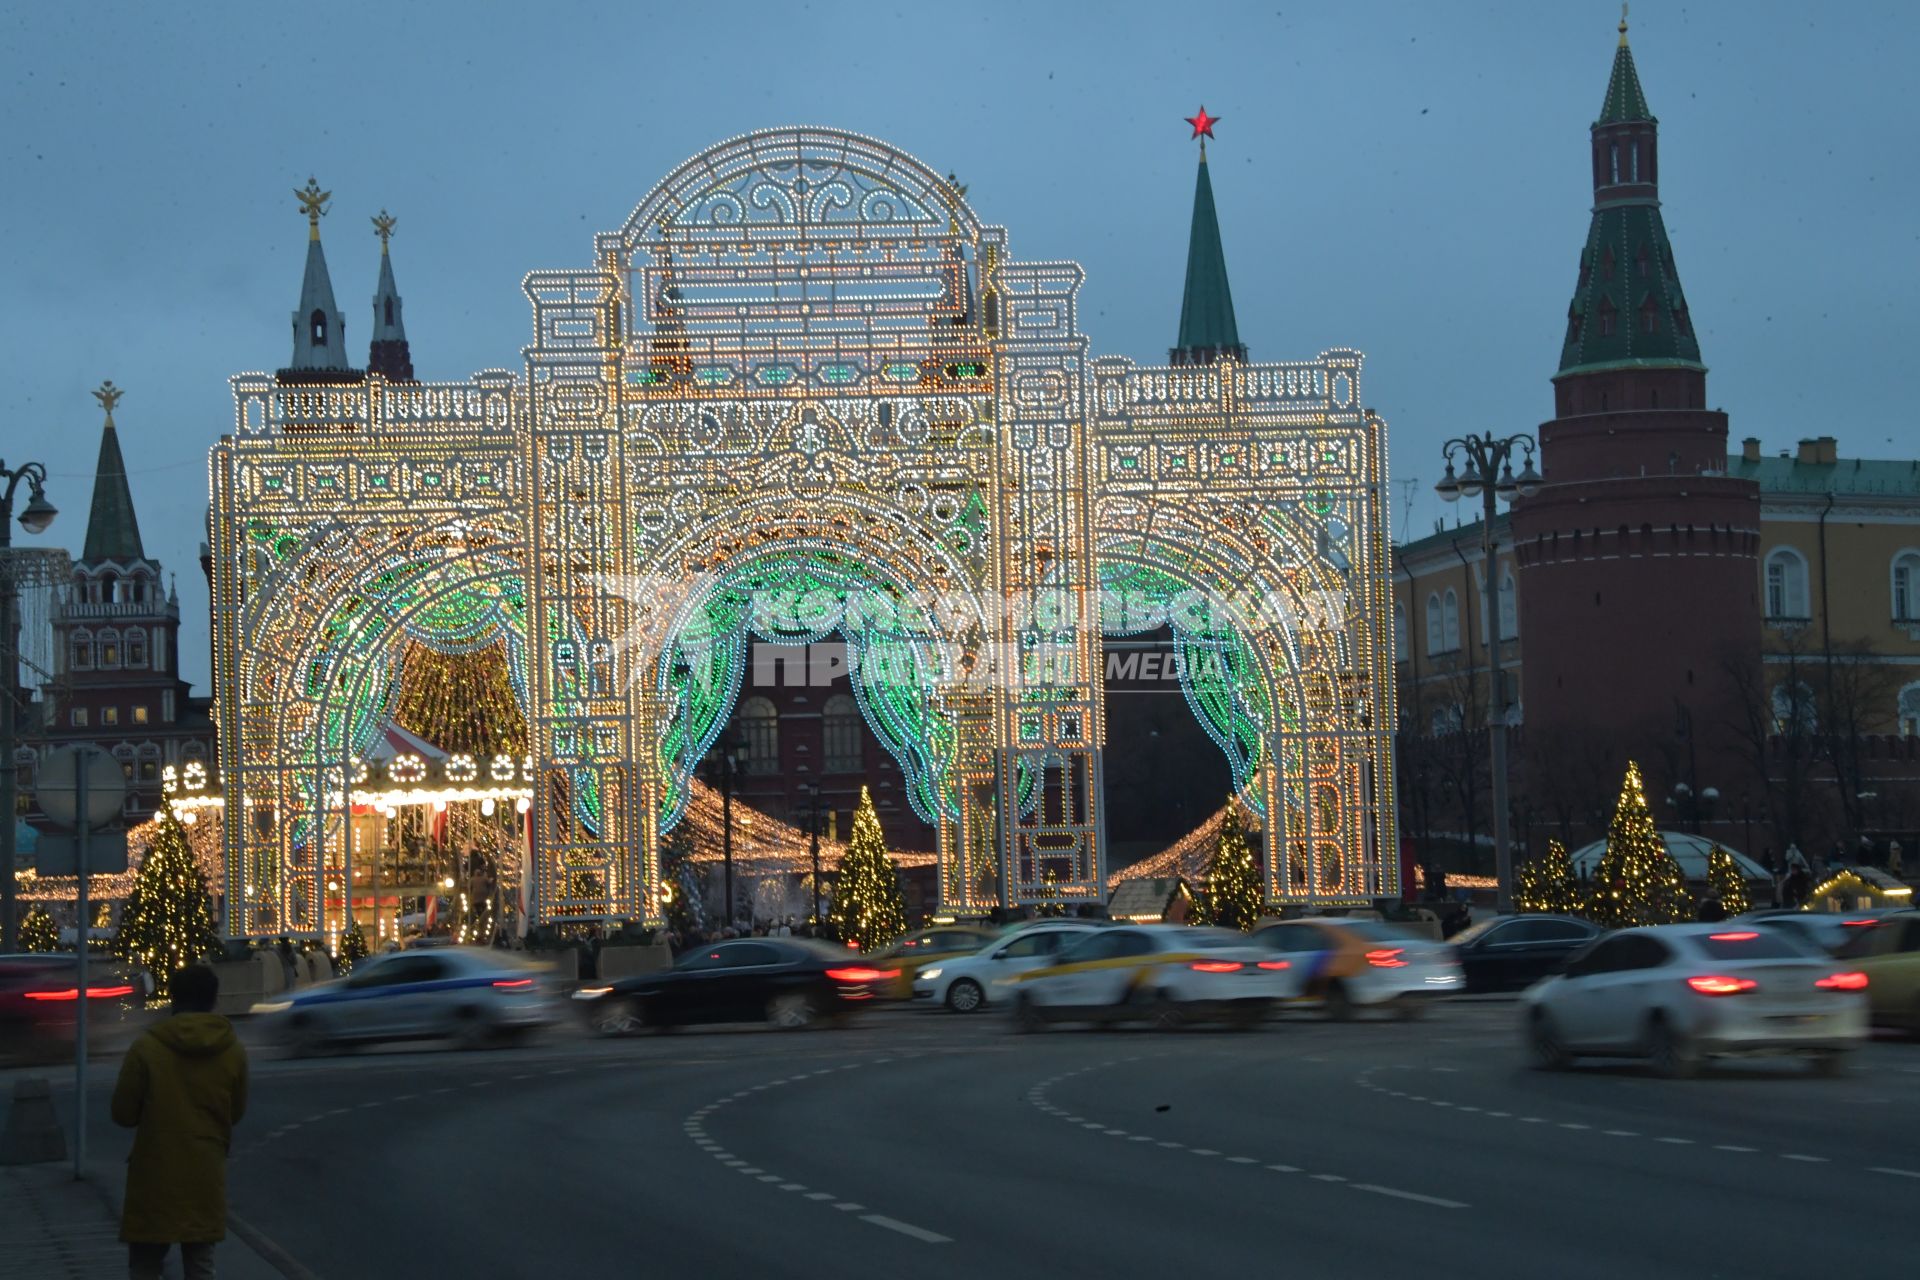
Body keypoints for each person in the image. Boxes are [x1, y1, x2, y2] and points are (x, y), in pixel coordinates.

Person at [111, 964, 249, 1280]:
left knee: (146, 1264)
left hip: (153, 1174)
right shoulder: (233, 1050)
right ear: (214, 1001)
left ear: (173, 999)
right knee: (200, 1264)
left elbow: (122, 1115)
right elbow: (236, 1112)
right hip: (205, 1171)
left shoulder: (146, 1048)